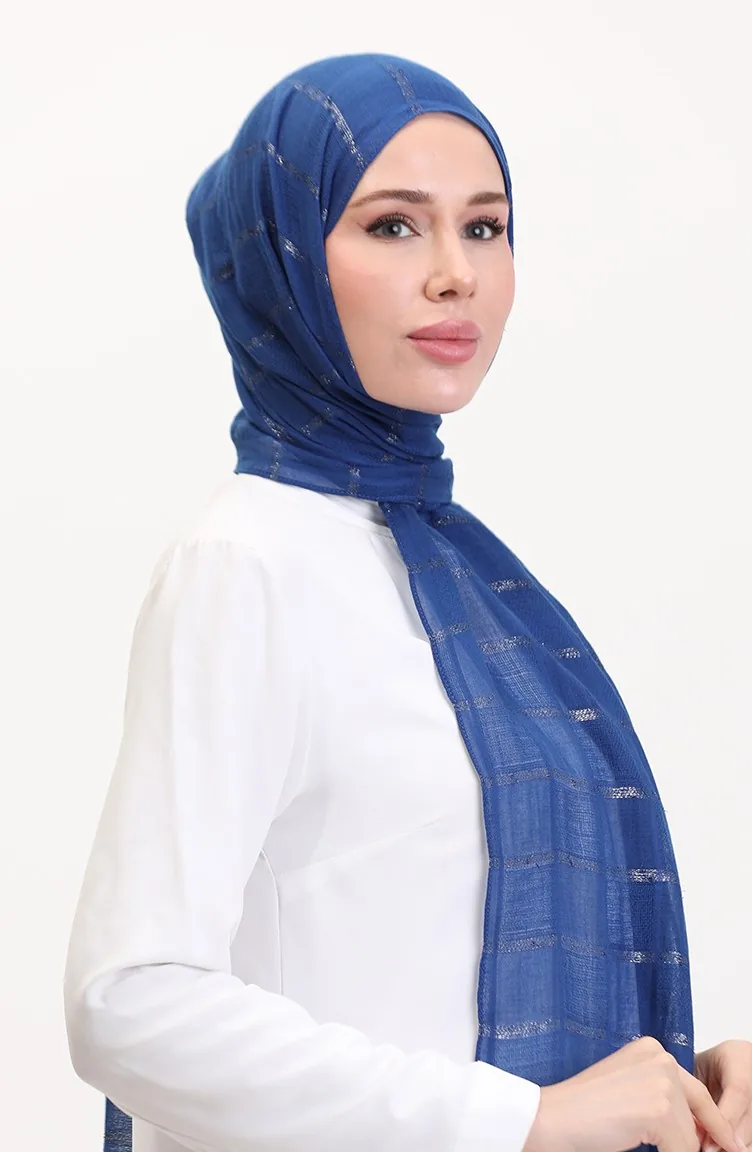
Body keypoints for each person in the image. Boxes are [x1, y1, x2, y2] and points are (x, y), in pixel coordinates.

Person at [63, 52, 752, 1152]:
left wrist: (669, 1082)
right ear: (284, 258)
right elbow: (130, 1002)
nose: (454, 274)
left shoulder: (450, 570)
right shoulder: (247, 564)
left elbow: (419, 970)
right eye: (393, 226)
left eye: (484, 227)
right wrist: (523, 1118)